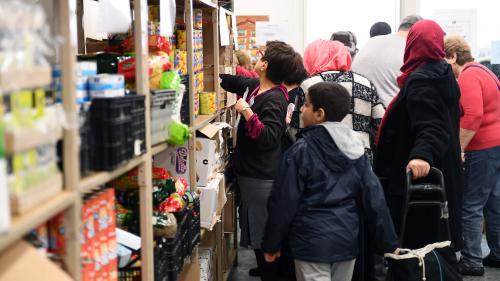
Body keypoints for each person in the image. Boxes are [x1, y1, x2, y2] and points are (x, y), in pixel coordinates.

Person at [262, 82, 399, 281]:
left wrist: (272, 243)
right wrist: (389, 241)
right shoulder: (356, 150)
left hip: (310, 243)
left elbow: (283, 201)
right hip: (347, 242)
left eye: (306, 105)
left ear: (320, 114)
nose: (301, 109)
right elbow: (375, 199)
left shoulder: (300, 152)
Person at [374, 20, 463, 251]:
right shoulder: (443, 74)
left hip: (420, 178)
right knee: (436, 247)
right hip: (443, 169)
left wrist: (422, 154)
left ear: (412, 44)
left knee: (416, 250)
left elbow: (431, 126)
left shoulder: (422, 80)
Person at [233, 40, 297, 281]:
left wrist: (247, 112)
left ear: (266, 65)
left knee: (264, 242)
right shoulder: (263, 90)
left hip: (261, 178)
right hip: (254, 176)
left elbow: (268, 138)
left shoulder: (274, 98)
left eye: (262, 56)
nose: (258, 58)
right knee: (260, 237)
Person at [444, 35, 500, 276]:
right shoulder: (485, 71)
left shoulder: (468, 75)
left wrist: (459, 148)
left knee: (471, 205)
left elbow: (473, 115)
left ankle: (472, 260)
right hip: (496, 145)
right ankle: (497, 253)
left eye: (445, 60)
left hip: (482, 148)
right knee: (494, 203)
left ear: (453, 56)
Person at [301, 39, 385, 162]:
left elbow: (297, 128)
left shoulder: (309, 85)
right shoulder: (365, 83)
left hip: (318, 157)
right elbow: (380, 123)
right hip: (359, 156)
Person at [352, 15, 423, 107]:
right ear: (420, 31)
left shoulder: (370, 42)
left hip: (359, 108)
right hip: (391, 113)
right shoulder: (411, 48)